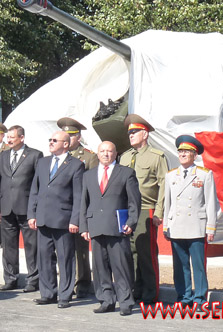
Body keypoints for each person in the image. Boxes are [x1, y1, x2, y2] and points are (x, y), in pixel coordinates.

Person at [79, 141, 141, 316]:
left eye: (110, 151)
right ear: (97, 154)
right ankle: (106, 300)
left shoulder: (126, 173)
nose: (106, 154)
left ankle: (126, 301)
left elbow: (134, 202)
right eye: (102, 151)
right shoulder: (88, 175)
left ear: (115, 154)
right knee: (100, 267)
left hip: (117, 227)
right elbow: (84, 202)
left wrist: (131, 221)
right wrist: (84, 226)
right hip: (96, 226)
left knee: (121, 265)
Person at [27, 131, 85, 309]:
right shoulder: (43, 162)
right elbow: (34, 191)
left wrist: (75, 220)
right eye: (50, 140)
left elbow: (78, 195)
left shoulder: (76, 165)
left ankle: (65, 294)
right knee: (44, 258)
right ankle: (48, 293)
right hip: (43, 218)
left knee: (65, 258)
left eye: (55, 140)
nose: (50, 143)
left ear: (66, 144)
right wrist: (32, 214)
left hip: (63, 220)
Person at [163, 135, 217, 312]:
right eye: (180, 151)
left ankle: (200, 298)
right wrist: (166, 225)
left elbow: (210, 202)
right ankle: (184, 296)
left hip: (196, 226)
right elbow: (167, 204)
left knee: (198, 266)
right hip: (177, 225)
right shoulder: (171, 176)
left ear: (195, 155)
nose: (183, 154)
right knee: (180, 265)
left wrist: (211, 227)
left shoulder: (204, 174)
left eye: (187, 151)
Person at [119, 114, 168, 305]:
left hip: (145, 209)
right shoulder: (125, 157)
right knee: (129, 253)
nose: (130, 135)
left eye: (134, 132)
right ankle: (135, 289)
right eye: (129, 132)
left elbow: (164, 186)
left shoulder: (157, 156)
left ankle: (150, 293)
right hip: (125, 210)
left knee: (146, 253)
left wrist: (158, 212)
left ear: (145, 134)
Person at [0, 125, 42, 293]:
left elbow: (38, 184)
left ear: (21, 138)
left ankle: (33, 280)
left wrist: (35, 209)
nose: (9, 139)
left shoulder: (35, 155)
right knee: (8, 247)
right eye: (8, 137)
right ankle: (10, 278)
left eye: (12, 137)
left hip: (26, 208)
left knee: (31, 246)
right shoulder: (3, 156)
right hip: (6, 208)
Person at [57, 117, 98, 298]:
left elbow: (93, 186)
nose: (68, 139)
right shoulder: (57, 157)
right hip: (60, 209)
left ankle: (82, 283)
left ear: (78, 137)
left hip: (80, 208)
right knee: (63, 248)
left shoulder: (89, 157)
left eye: (71, 136)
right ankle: (66, 282)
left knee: (80, 249)